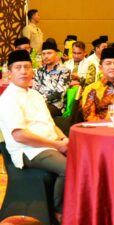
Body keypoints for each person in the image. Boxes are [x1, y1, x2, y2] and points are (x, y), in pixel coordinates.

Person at [0, 50, 67, 223]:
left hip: (49, 144)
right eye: (18, 67)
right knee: (68, 168)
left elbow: (50, 124)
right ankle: (59, 211)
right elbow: (20, 135)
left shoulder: (35, 94)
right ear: (9, 73)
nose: (23, 71)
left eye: (27, 67)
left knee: (84, 159)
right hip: (29, 150)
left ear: (33, 71)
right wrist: (57, 145)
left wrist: (63, 139)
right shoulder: (7, 99)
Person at [32, 41, 71, 117]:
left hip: (56, 106)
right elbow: (34, 90)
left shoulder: (64, 71)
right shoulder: (39, 71)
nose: (46, 56)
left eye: (49, 53)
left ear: (56, 54)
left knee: (38, 114)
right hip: (39, 104)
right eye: (43, 54)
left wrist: (42, 100)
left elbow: (59, 93)